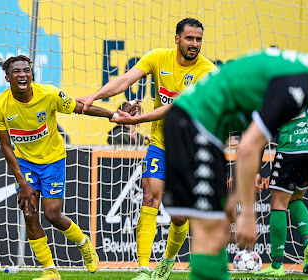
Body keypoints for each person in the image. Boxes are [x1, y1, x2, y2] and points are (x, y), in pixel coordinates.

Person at [115, 48, 308, 279]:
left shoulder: (301, 70)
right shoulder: (296, 87)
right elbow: (248, 147)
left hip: (206, 128)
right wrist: (249, 215)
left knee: (215, 224)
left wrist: (237, 198)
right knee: (208, 228)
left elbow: (252, 139)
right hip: (194, 122)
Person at [78, 18, 216, 280]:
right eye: (189, 38)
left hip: (190, 148)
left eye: (198, 39)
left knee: (178, 217)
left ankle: (168, 259)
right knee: (150, 199)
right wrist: (94, 97)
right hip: (160, 144)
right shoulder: (157, 58)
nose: (195, 44)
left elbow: (178, 108)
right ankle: (143, 268)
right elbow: (125, 79)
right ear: (177, 39)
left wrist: (136, 120)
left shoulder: (206, 71)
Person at [0, 55, 120, 280]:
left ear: (31, 75)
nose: (23, 74)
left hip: (52, 160)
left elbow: (80, 107)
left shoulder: (49, 94)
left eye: (26, 70)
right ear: (7, 77)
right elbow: (6, 146)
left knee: (52, 214)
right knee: (29, 212)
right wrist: (22, 182)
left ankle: (83, 243)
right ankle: (50, 270)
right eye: (17, 71)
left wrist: (114, 115)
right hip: (25, 163)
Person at [254, 103, 308, 276]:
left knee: (278, 204)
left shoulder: (284, 84)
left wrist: (256, 169)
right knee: (296, 198)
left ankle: (277, 265)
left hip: (291, 149)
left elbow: (261, 130)